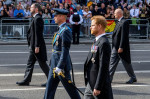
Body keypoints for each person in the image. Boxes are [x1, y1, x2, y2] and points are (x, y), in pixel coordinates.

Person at [44, 8, 81, 99]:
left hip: (61, 66)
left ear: (62, 17)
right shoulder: (60, 29)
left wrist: (60, 66)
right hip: (54, 64)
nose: (54, 17)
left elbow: (65, 51)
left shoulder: (65, 30)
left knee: (70, 89)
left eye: (56, 16)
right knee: (49, 88)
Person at [16, 3, 49, 87]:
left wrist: (37, 46)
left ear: (36, 9)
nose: (30, 9)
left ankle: (51, 80)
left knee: (42, 63)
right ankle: (26, 80)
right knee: (30, 63)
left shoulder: (38, 18)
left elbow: (38, 34)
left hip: (36, 46)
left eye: (31, 7)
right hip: (33, 45)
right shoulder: (35, 18)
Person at [84, 15, 113, 99]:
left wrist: (98, 86)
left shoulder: (104, 43)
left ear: (99, 26)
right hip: (91, 83)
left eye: (93, 25)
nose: (90, 27)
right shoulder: (97, 40)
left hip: (98, 85)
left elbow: (103, 67)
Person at [109, 8, 137, 84]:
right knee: (112, 62)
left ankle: (133, 77)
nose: (114, 14)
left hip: (121, 47)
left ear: (119, 14)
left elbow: (124, 36)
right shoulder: (118, 22)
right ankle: (109, 78)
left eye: (115, 13)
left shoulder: (124, 22)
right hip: (115, 46)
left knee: (126, 63)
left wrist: (121, 47)